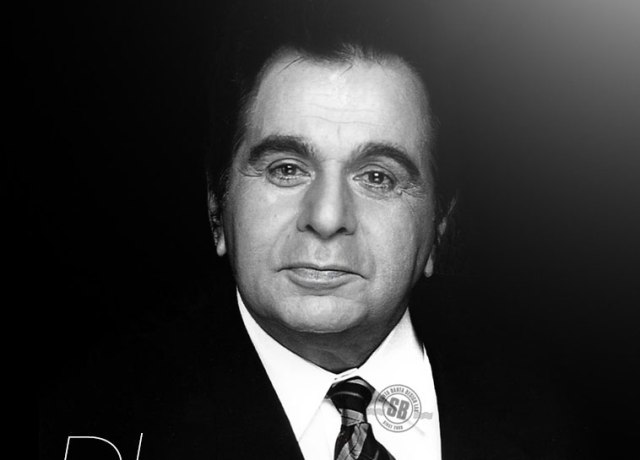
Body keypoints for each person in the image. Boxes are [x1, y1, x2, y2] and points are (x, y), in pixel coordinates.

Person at [40, 1, 575, 459]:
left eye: (377, 177)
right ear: (216, 206)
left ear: (440, 224)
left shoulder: (567, 416)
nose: (325, 216)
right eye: (286, 169)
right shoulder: (85, 422)